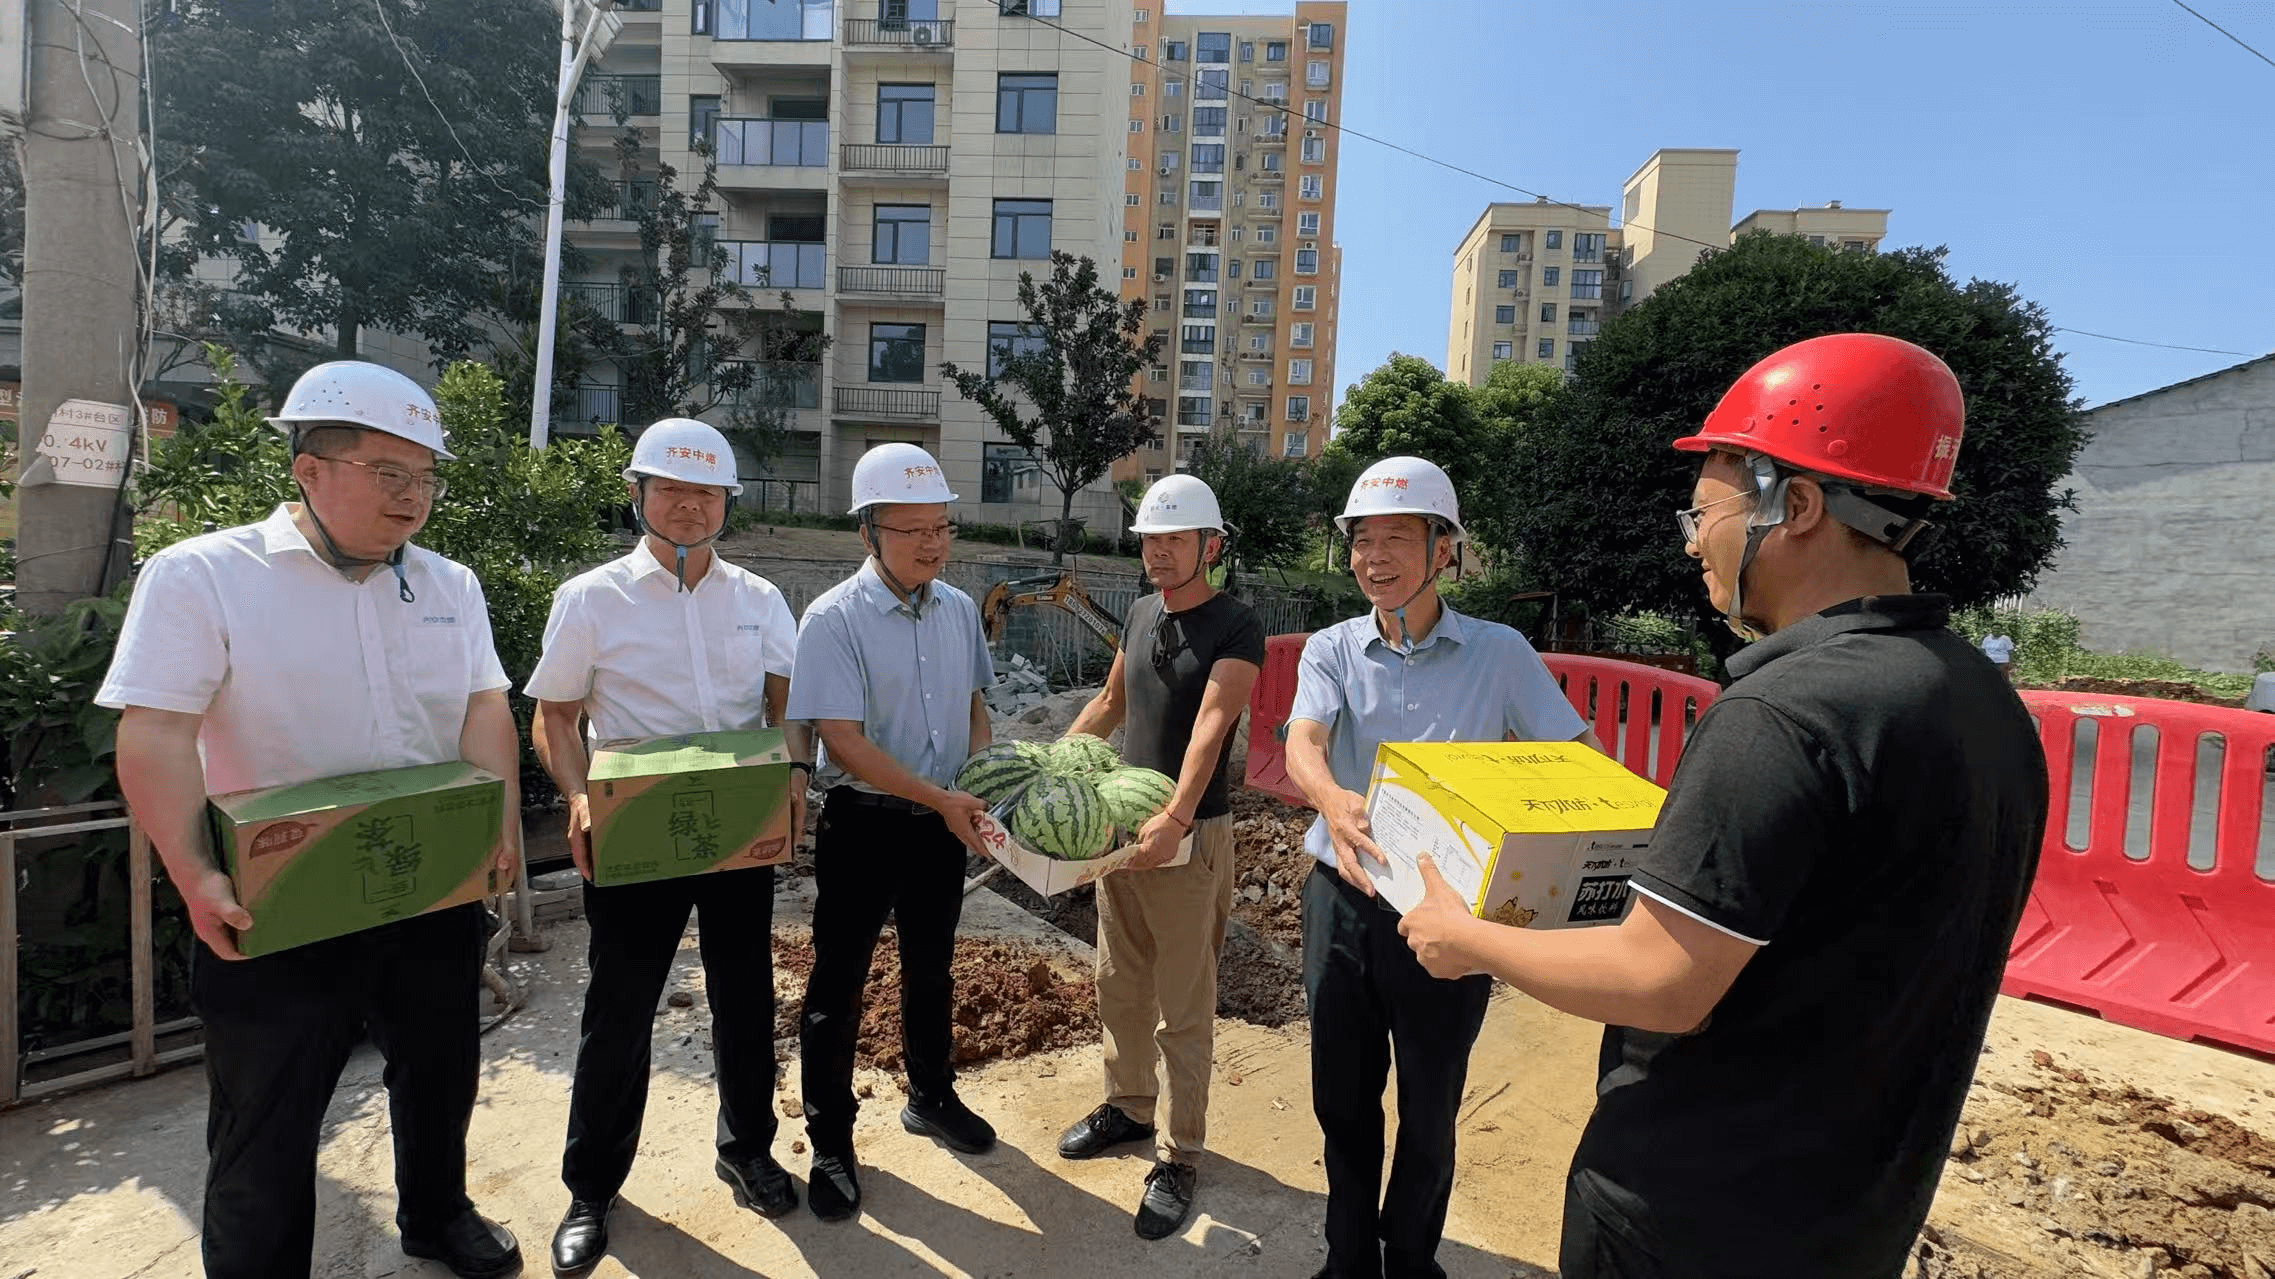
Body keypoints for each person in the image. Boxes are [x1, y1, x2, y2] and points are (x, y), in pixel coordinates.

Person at [1395, 334, 2049, 1279]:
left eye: (1704, 512)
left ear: (1797, 505)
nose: (1692, 540)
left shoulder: (1782, 713)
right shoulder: (1981, 701)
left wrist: (1468, 939)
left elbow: (1659, 977)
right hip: (1854, 1212)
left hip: (1692, 1212)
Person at [98, 361, 523, 1279]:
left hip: (427, 885)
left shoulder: (448, 585)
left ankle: (438, 1215)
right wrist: (192, 872)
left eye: (425, 477)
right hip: (279, 897)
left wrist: (495, 827)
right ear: (309, 468)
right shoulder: (205, 576)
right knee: (268, 1113)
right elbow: (156, 731)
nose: (412, 496)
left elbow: (484, 706)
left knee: (440, 1071)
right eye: (388, 472)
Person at [1281, 456, 1604, 1279]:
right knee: (1341, 1096)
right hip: (1342, 899)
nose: (1373, 557)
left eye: (1395, 537)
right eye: (1361, 540)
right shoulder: (1331, 648)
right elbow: (1303, 740)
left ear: (1443, 549)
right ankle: (1348, 1259)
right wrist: (1331, 799)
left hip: (1452, 917)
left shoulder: (1500, 654)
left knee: (1430, 1105)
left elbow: (1577, 755)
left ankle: (1412, 1258)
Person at [524, 419, 807, 1275]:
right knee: (619, 1008)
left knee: (744, 995)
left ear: (727, 502)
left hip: (735, 827)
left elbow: (786, 704)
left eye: (706, 492)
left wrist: (793, 776)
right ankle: (591, 1187)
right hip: (635, 831)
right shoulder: (592, 598)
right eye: (672, 490)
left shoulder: (758, 599)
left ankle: (746, 1147)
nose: (689, 506)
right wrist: (579, 798)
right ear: (637, 493)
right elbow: (554, 717)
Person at [786, 442, 1000, 1222]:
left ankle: (930, 1094)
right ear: (868, 532)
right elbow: (841, 741)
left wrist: (981, 787)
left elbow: (975, 709)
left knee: (931, 968)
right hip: (863, 826)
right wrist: (943, 798)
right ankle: (830, 1140)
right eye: (912, 531)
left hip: (939, 826)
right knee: (837, 984)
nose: (932, 544)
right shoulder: (833, 618)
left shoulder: (958, 609)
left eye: (941, 527)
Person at [1054, 475, 1266, 1239]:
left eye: (1175, 539)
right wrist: (1048, 769)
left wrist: (1175, 817)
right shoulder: (1142, 613)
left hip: (1190, 835)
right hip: (1123, 828)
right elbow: (1110, 703)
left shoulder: (1236, 625)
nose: (1159, 553)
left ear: (1210, 545)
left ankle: (1179, 1153)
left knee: (1183, 1005)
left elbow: (1212, 724)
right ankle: (1128, 1106)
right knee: (1119, 981)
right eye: (1150, 540)